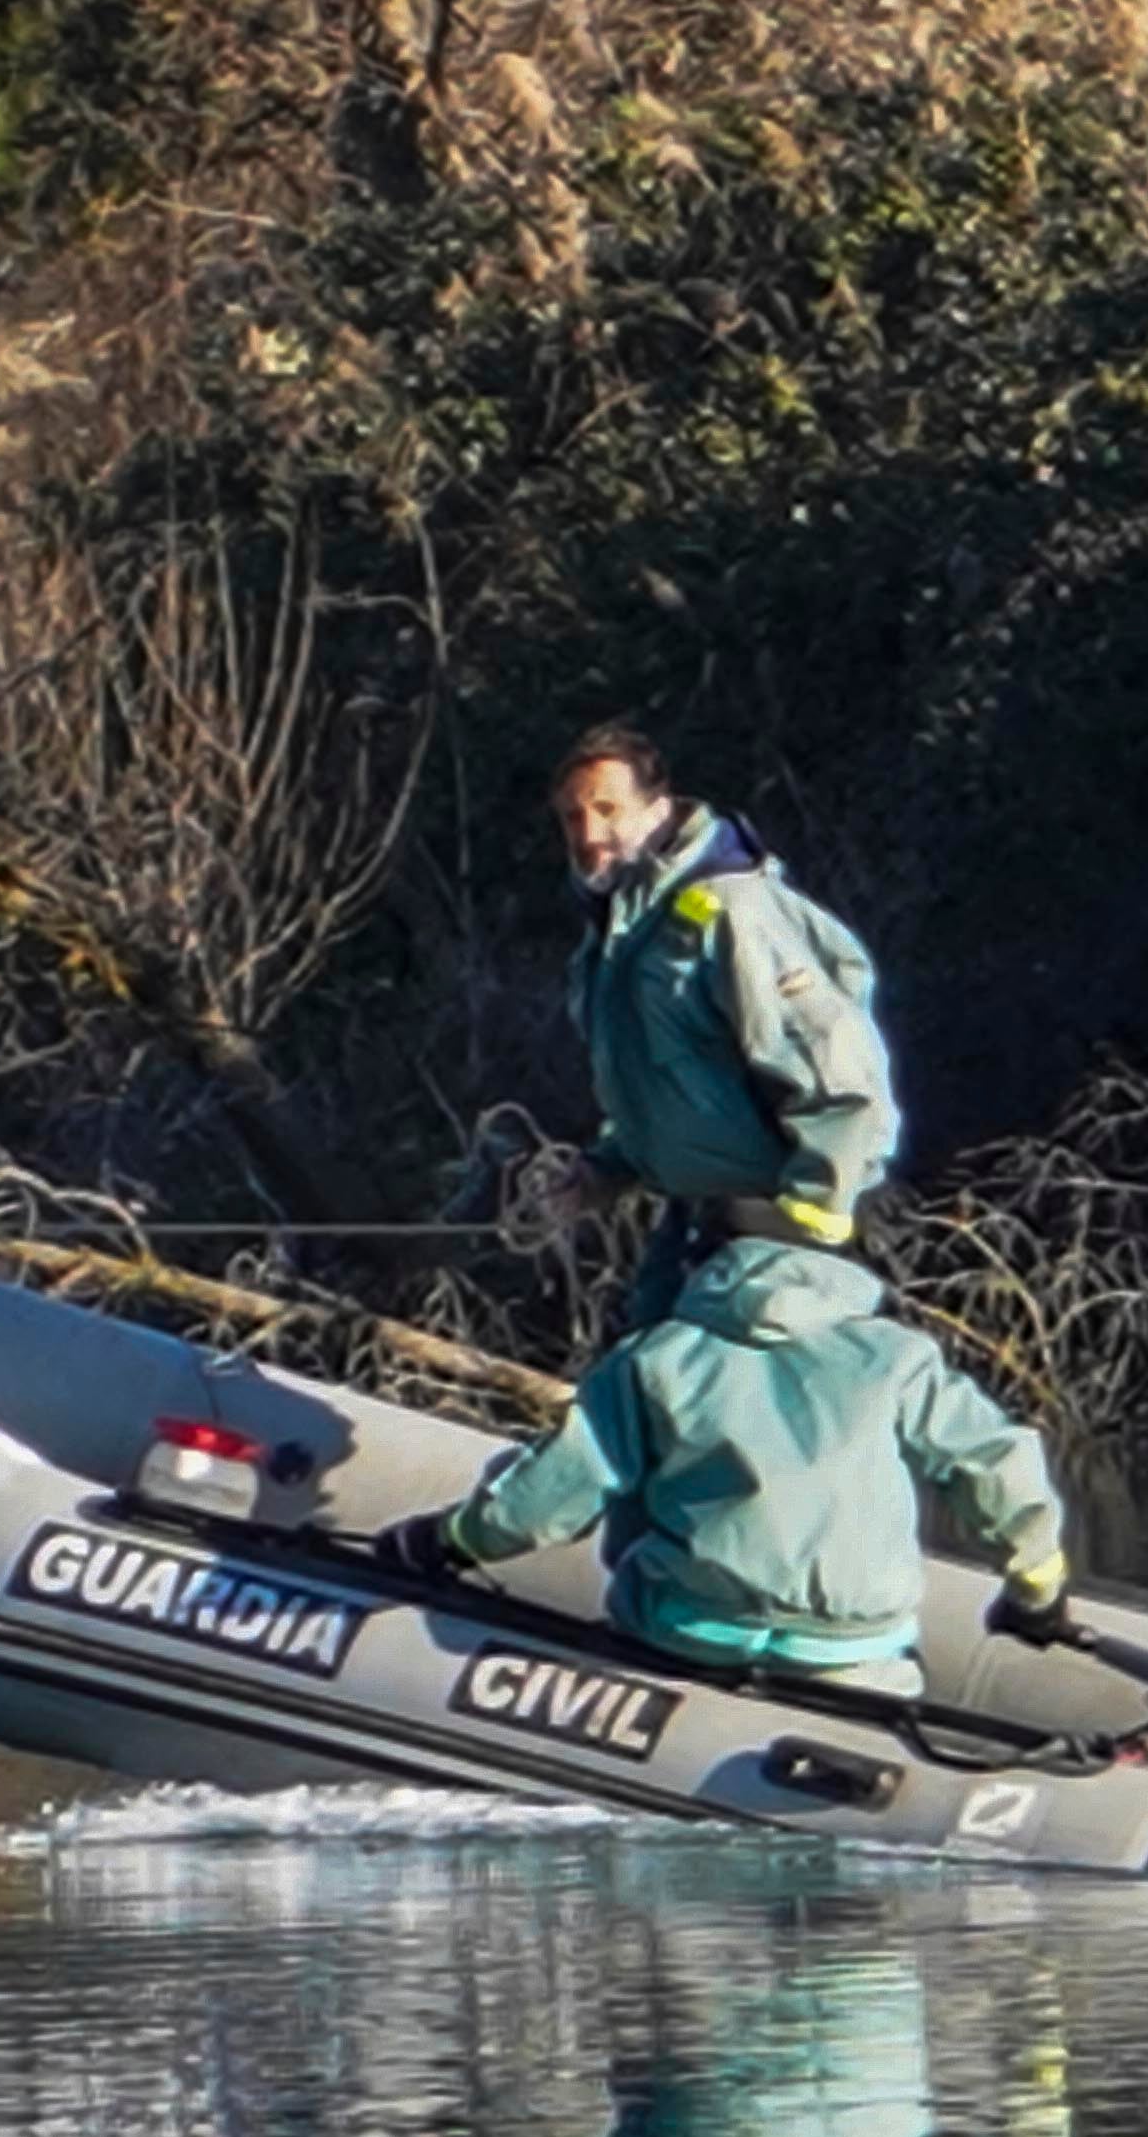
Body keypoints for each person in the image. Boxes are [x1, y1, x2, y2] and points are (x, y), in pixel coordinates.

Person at [371, 1231, 1068, 1697]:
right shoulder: (894, 1356)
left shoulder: (655, 1356)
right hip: (856, 1653)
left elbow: (553, 1494)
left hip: (691, 1636)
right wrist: (1036, 1589)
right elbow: (997, 1461)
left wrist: (451, 1540)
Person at [544, 724, 900, 1326]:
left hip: (782, 1235)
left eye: (607, 809)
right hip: (699, 1221)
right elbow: (671, 1082)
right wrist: (606, 1169)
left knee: (722, 1403)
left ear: (658, 811)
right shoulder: (621, 936)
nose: (588, 834)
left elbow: (837, 1067)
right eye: (572, 818)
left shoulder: (732, 910)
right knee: (640, 1385)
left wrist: (812, 1214)